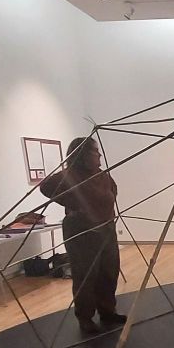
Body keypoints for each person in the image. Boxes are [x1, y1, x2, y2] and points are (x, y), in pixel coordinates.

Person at [39, 137, 125, 335]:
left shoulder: (101, 175)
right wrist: (72, 203)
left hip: (106, 228)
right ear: (83, 154)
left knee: (109, 271)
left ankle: (107, 311)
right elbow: (46, 187)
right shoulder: (69, 175)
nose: (99, 155)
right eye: (95, 151)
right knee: (86, 275)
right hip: (81, 232)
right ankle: (85, 318)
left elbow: (113, 190)